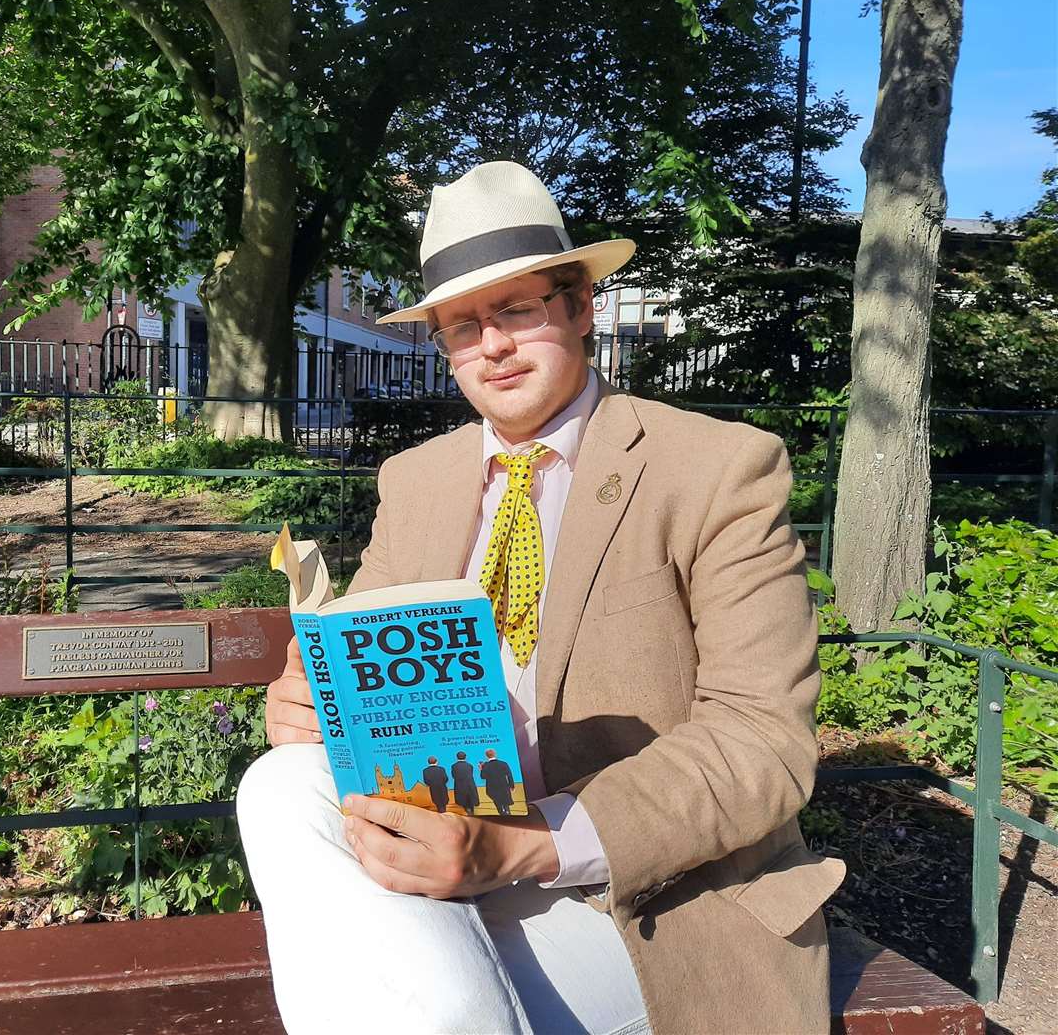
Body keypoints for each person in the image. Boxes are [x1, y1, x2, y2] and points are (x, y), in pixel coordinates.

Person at [238, 161, 845, 1035]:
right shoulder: (418, 480)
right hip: (442, 854)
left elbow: (765, 744)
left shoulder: (714, 470)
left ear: (581, 306)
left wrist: (530, 845)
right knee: (280, 785)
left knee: (393, 1009)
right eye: (459, 326)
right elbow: (366, 666)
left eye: (516, 310)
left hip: (645, 900)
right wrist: (315, 705)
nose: (490, 346)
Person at [479, 748, 516, 816]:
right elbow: (509, 775)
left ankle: (501, 813)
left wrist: (481, 769)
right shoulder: (503, 763)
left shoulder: (485, 766)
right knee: (505, 802)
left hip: (492, 788)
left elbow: (483, 777)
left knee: (497, 802)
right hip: (503, 786)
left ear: (486, 756)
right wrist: (512, 785)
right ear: (495, 754)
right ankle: (507, 813)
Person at [451, 750, 479, 815]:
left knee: (463, 802)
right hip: (470, 786)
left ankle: (467, 811)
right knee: (470, 801)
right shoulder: (470, 765)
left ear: (457, 757)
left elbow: (454, 776)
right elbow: (470, 775)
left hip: (459, 786)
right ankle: (471, 812)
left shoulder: (454, 766)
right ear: (465, 757)